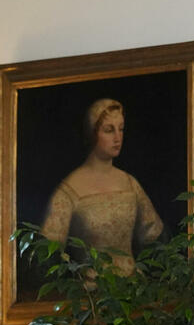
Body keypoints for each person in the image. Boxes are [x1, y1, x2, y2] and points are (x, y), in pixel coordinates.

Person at [42, 98, 164, 275]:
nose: (117, 138)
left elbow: (154, 236)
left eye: (121, 129)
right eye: (109, 130)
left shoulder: (130, 183)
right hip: (91, 290)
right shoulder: (70, 190)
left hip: (134, 288)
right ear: (93, 134)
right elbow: (48, 253)